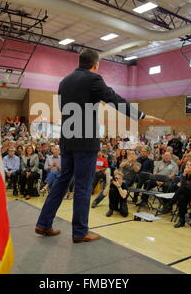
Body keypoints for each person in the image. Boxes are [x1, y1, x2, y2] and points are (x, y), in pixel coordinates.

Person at [35, 49, 163, 243]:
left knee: (62, 182)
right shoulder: (93, 79)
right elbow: (115, 99)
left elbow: (63, 109)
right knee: (83, 186)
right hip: (85, 141)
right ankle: (79, 232)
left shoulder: (64, 82)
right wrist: (141, 116)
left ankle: (43, 223)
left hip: (67, 138)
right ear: (95, 65)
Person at [160, 161, 191, 228]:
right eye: (187, 164)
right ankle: (181, 220)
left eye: (190, 165)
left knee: (181, 190)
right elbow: (184, 186)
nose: (188, 166)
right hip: (186, 193)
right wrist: (184, 175)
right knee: (181, 197)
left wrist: (183, 176)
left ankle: (169, 205)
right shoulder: (185, 174)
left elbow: (189, 187)